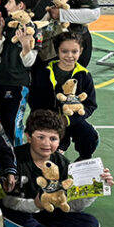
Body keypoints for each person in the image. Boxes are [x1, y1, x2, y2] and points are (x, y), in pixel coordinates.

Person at [0, 109, 114, 227]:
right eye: (41, 137)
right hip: (17, 214)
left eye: (53, 138)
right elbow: (7, 202)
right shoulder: (14, 159)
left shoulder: (61, 163)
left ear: (60, 141)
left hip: (43, 217)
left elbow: (72, 206)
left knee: (90, 223)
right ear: (29, 137)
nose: (47, 143)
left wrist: (94, 189)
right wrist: (36, 204)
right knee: (11, 221)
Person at [29, 32, 99, 160]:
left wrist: (68, 120)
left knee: (90, 136)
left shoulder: (84, 75)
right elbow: (34, 101)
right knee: (52, 156)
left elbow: (90, 105)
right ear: (57, 51)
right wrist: (51, 120)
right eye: (64, 51)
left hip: (72, 120)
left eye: (74, 51)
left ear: (81, 51)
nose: (69, 56)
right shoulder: (43, 71)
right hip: (47, 122)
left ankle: (82, 163)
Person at [0, 0, 40, 140]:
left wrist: (25, 45)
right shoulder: (6, 23)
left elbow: (28, 62)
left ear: (20, 5)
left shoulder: (33, 29)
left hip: (16, 84)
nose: (6, 6)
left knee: (11, 121)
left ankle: (14, 158)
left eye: (9, 2)